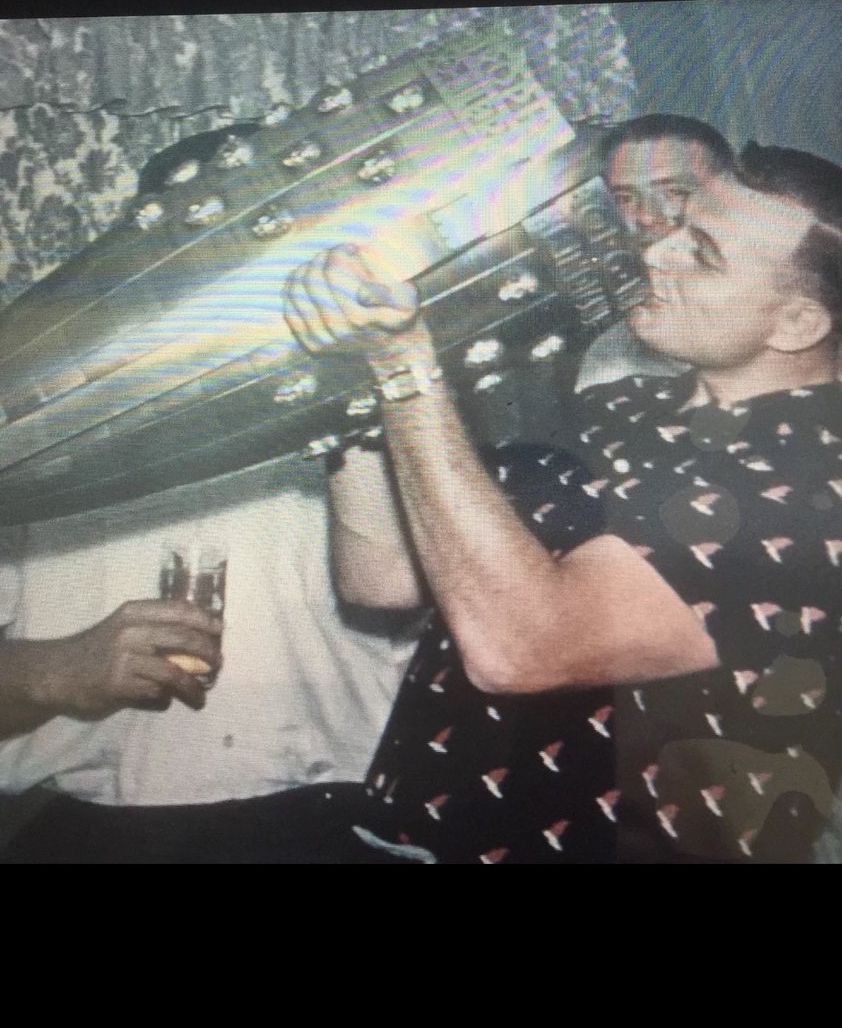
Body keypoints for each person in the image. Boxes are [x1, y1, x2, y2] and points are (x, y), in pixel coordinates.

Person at [282, 148, 842, 864]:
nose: (658, 248)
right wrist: (353, 388)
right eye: (675, 227)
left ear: (795, 325)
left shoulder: (812, 491)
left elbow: (520, 648)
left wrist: (404, 368)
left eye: (701, 253)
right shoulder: (624, 407)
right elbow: (382, 576)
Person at [0, 131, 416, 864]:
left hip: (344, 826)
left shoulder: (397, 397)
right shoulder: (30, 430)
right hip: (97, 834)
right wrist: (54, 670)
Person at [576, 114, 735, 391]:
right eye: (625, 198)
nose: (647, 217)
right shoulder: (613, 357)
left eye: (674, 192)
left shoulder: (793, 302)